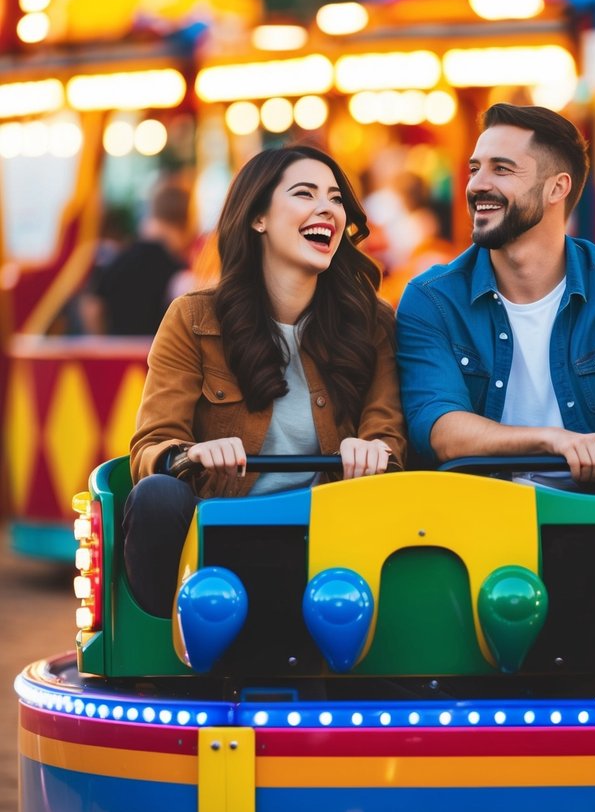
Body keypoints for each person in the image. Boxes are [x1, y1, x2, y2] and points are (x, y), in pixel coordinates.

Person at [396, 103, 595, 625]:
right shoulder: (431, 298)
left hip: (594, 517)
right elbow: (441, 427)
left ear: (556, 188)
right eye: (475, 168)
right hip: (472, 518)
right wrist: (551, 439)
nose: (478, 183)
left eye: (502, 169)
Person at [124, 145, 406, 617]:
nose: (327, 209)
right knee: (156, 494)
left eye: (336, 199)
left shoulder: (371, 322)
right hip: (226, 535)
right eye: (305, 193)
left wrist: (374, 449)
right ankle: (168, 642)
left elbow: (388, 430)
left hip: (332, 538)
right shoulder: (194, 318)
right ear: (258, 218)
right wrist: (191, 455)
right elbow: (152, 443)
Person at [81, 180, 193, 336]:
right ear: (186, 219)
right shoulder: (176, 269)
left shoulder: (119, 258)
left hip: (115, 351)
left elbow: (92, 307)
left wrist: (102, 343)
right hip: (155, 355)